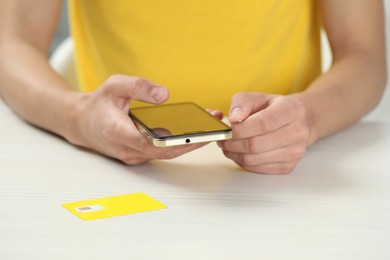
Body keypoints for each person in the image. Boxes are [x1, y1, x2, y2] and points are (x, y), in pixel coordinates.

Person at [0, 0, 387, 174]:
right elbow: (11, 44)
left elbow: (365, 55)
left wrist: (311, 116)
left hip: (293, 169)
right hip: (111, 167)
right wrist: (77, 116)